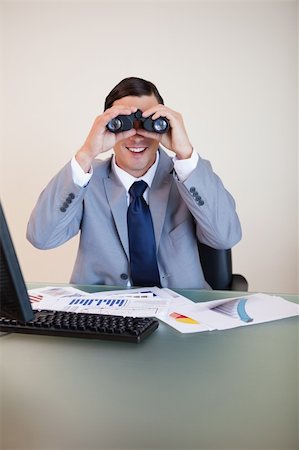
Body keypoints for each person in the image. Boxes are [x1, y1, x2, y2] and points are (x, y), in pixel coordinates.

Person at [27, 76, 242, 289]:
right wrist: (86, 154)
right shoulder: (85, 181)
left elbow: (226, 237)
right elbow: (42, 238)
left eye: (148, 122)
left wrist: (185, 153)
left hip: (182, 312)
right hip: (103, 315)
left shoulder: (189, 178)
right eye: (123, 123)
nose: (136, 136)